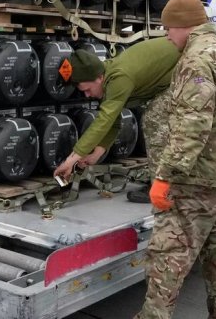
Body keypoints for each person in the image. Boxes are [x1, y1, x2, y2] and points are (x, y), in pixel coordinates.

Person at [135, 0, 216, 319]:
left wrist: (165, 175)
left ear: (183, 25)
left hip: (197, 179)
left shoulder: (197, 59)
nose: (167, 36)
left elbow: (192, 123)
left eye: (168, 29)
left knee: (168, 253)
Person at [53, 38, 180, 204]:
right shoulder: (108, 78)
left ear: (98, 78)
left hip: (188, 69)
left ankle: (164, 187)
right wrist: (95, 155)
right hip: (173, 74)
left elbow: (104, 120)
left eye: (87, 89)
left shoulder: (119, 78)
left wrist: (71, 159)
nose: (87, 95)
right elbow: (113, 120)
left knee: (154, 121)